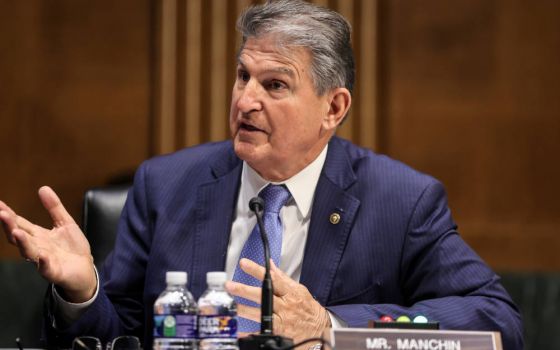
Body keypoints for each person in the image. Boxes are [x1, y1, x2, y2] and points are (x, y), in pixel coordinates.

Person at [0, 0, 523, 349]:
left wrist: (331, 329)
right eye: (242, 75)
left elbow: (498, 322)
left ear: (333, 107)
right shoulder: (164, 185)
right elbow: (119, 335)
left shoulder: (402, 200)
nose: (245, 99)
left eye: (274, 85)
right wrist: (83, 291)